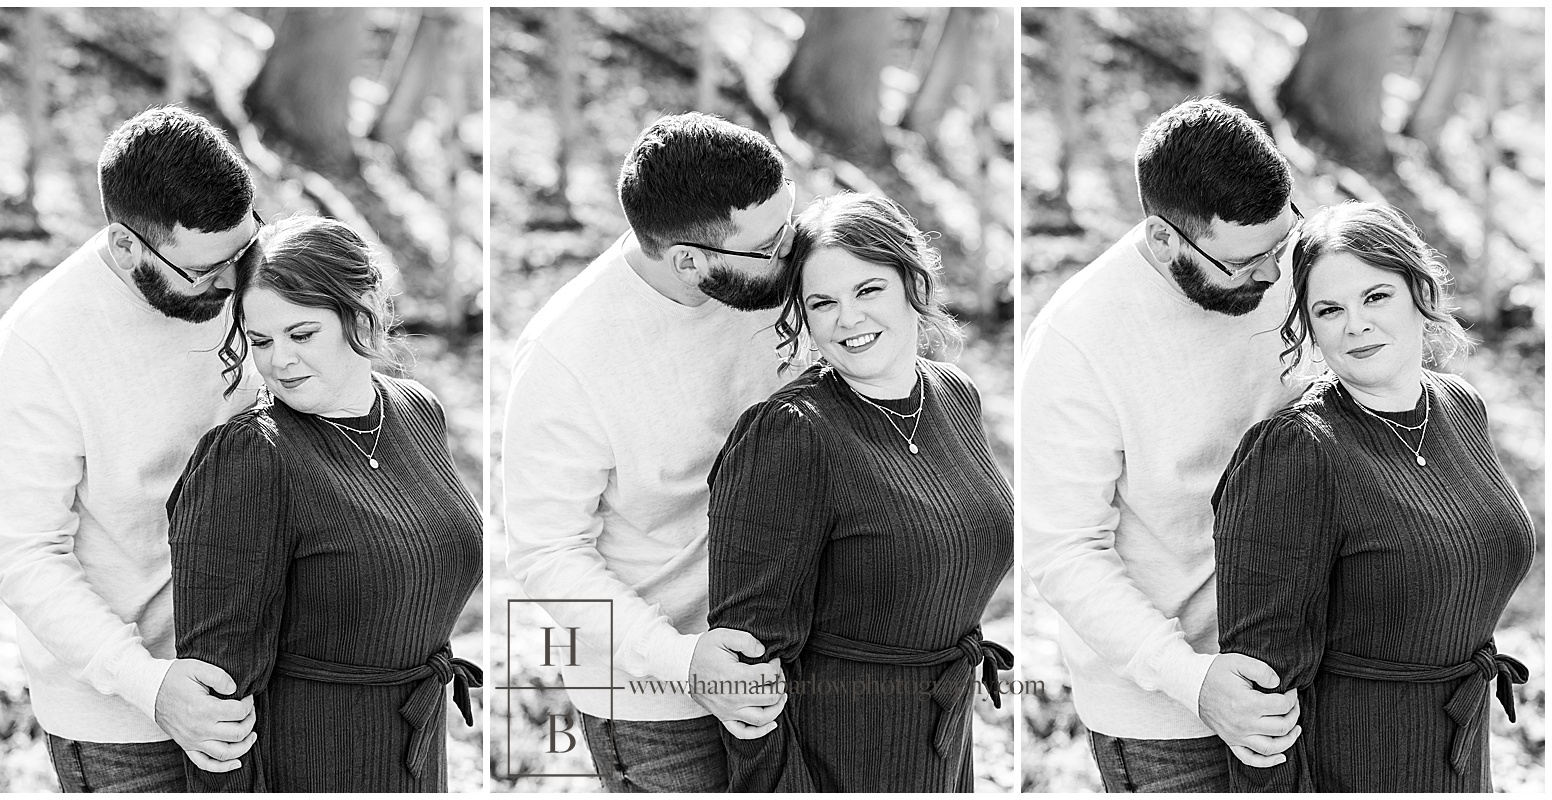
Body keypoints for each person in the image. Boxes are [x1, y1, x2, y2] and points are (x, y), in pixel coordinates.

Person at [1020, 97, 1311, 791]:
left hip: (1306, 674)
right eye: (1245, 264)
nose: (1274, 275)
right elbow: (1063, 550)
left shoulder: (1284, 258)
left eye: (1282, 243)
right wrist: (1195, 680)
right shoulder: (1076, 341)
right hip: (1167, 723)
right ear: (1162, 239)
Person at [502, 112, 795, 791]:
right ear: (689, 260)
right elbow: (547, 553)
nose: (793, 252)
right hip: (652, 699)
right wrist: (684, 659)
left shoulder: (767, 272)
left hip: (789, 657)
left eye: (792, 226)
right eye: (772, 244)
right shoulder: (566, 356)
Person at [0, 105, 264, 792]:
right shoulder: (41, 347)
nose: (232, 285)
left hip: (258, 672)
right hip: (126, 723)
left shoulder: (241, 272)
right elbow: (23, 556)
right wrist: (151, 684)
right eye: (205, 271)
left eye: (243, 251)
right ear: (127, 244)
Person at [1213, 202, 1533, 792]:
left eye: (1376, 296)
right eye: (1329, 310)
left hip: (1460, 753)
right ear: (1308, 328)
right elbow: (1261, 687)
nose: (1354, 324)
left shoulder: (1459, 406)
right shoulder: (1297, 451)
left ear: (1419, 291)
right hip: (1355, 761)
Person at [706, 192, 1013, 792]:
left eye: (867, 290)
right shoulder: (793, 434)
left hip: (943, 735)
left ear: (912, 285)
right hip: (836, 750)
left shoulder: (954, 394)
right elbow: (747, 666)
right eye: (823, 303)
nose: (847, 319)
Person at [166, 215, 484, 792]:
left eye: (301, 333)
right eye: (260, 341)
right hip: (309, 762)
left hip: (416, 751)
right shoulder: (253, 455)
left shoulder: (417, 411)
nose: (279, 361)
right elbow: (217, 688)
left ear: (361, 309)